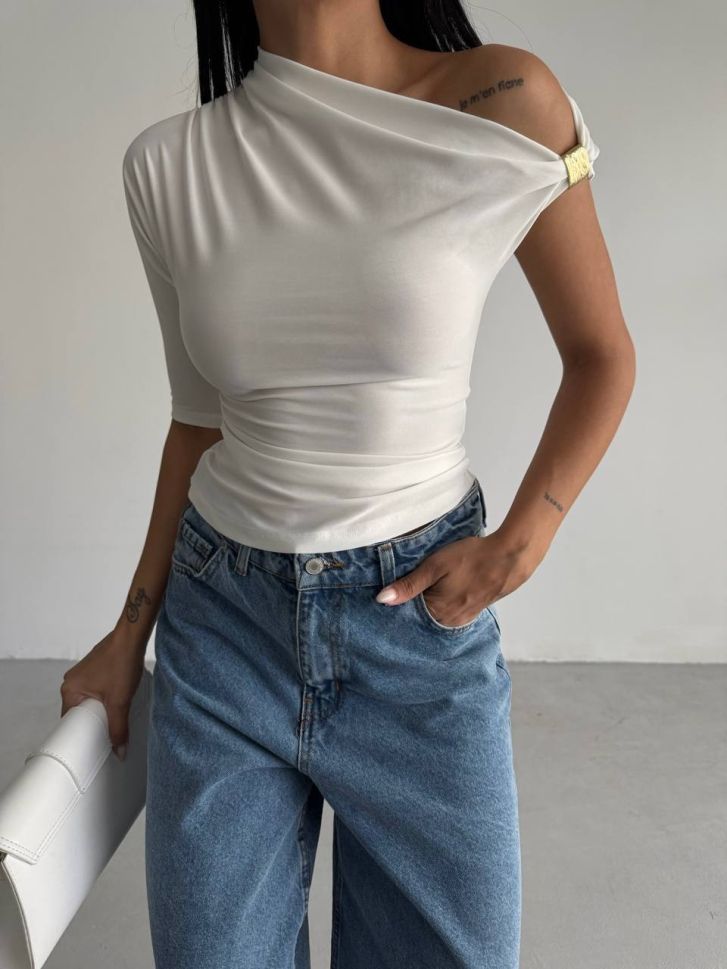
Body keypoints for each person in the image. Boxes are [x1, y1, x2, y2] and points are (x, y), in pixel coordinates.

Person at [59, 2, 636, 967]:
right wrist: (128, 636)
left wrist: (520, 543)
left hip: (416, 633)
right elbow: (198, 423)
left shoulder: (504, 100)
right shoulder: (168, 165)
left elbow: (601, 354)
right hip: (222, 630)